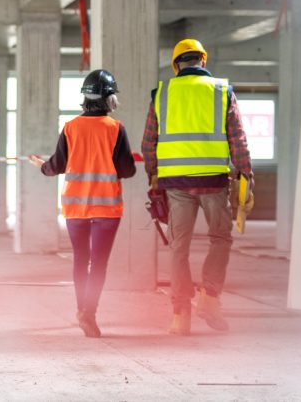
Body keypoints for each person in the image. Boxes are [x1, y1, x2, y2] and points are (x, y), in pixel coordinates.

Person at [141, 39, 253, 336]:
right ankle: (210, 298)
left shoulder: (162, 93)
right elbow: (237, 139)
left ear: (176, 65)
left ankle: (181, 316)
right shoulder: (221, 91)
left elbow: (149, 142)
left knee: (179, 247)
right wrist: (246, 177)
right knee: (220, 239)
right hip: (214, 180)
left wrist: (154, 178)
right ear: (202, 61)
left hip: (176, 183)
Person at [29, 69, 136, 338]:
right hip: (107, 209)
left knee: (81, 259)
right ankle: (89, 312)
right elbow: (127, 170)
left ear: (85, 98)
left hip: (76, 207)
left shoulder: (70, 128)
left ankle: (81, 310)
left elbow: (56, 166)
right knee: (98, 263)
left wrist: (41, 166)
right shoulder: (116, 129)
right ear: (110, 98)